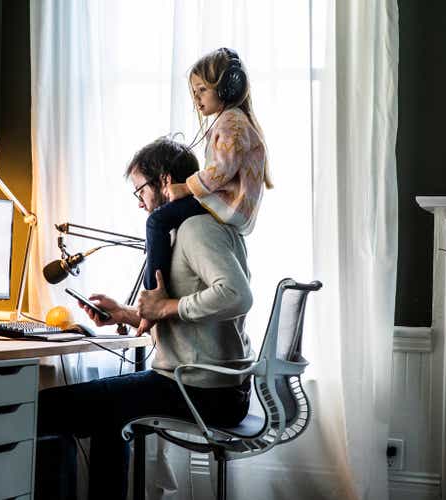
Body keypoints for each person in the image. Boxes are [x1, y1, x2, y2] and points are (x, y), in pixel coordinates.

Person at [37, 137, 255, 500]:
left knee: (47, 410)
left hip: (203, 391)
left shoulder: (196, 229)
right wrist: (125, 314)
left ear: (165, 180)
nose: (139, 201)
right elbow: (194, 306)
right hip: (204, 385)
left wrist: (165, 308)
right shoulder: (200, 225)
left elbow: (237, 295)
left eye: (140, 189)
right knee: (109, 418)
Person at [138, 47, 272, 334]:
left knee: (156, 220)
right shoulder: (232, 121)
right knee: (161, 220)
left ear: (227, 87)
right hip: (226, 204)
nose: (196, 98)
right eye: (194, 91)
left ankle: (153, 297)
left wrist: (186, 187)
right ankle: (151, 304)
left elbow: (222, 170)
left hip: (224, 203)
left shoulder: (231, 121)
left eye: (202, 89)